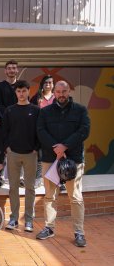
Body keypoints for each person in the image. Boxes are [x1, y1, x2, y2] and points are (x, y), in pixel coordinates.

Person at [36, 80, 90, 247]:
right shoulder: (45, 112)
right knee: (50, 196)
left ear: (69, 91)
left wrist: (65, 146)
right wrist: (56, 148)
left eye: (64, 91)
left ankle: (79, 232)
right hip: (50, 160)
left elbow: (84, 130)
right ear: (54, 92)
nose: (61, 95)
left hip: (73, 159)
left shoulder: (80, 110)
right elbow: (40, 131)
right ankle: (49, 228)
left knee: (76, 197)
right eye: (58, 92)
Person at [2, 80, 40, 233]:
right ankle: (14, 218)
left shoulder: (36, 110)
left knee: (30, 188)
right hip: (13, 154)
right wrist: (7, 148)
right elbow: (4, 131)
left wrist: (36, 149)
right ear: (15, 93)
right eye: (18, 91)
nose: (21, 94)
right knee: (13, 188)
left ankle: (29, 220)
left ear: (28, 91)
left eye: (24, 91)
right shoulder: (10, 110)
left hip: (31, 154)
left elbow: (40, 131)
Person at [0, 60, 19, 188]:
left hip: (19, 125)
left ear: (17, 70)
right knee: (1, 150)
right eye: (9, 68)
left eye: (14, 68)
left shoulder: (21, 86)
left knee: (19, 150)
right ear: (5, 71)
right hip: (4, 124)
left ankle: (19, 177)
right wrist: (9, 118)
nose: (11, 70)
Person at [31, 74, 56, 189]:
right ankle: (38, 178)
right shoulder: (36, 98)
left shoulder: (57, 98)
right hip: (40, 131)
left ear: (53, 85)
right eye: (46, 82)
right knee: (40, 156)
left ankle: (59, 179)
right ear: (42, 84)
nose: (48, 85)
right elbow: (30, 114)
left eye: (50, 82)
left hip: (55, 132)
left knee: (56, 155)